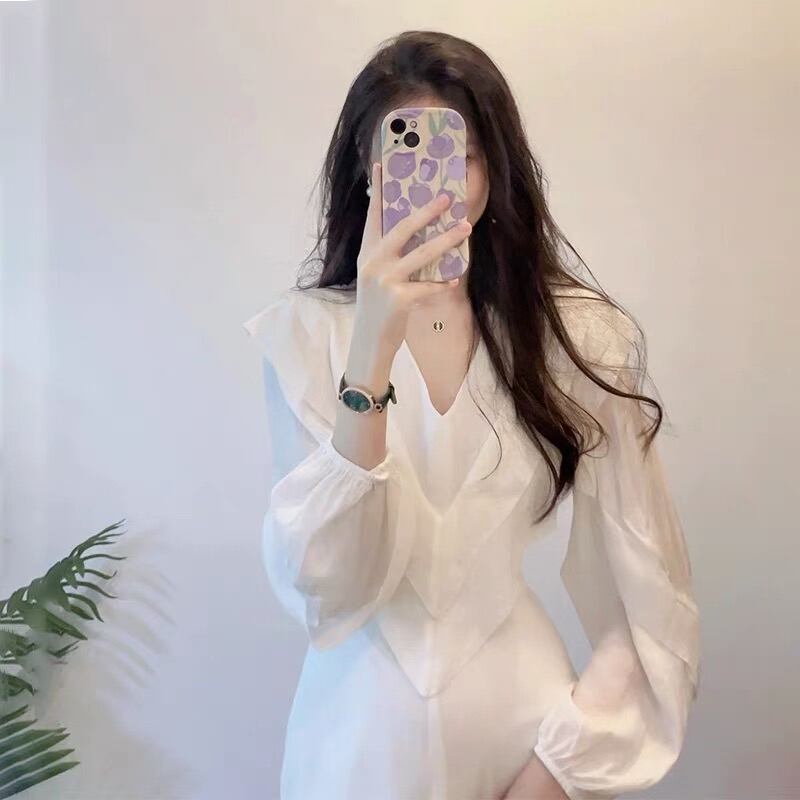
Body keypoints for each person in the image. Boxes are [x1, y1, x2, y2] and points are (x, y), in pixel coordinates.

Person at [243, 30, 700, 800]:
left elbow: (652, 589)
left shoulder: (576, 338)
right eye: (407, 155)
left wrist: (560, 770)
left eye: (463, 156)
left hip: (523, 736)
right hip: (353, 748)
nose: (438, 183)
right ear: (365, 167)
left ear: (497, 168)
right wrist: (371, 345)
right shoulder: (305, 336)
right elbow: (326, 587)